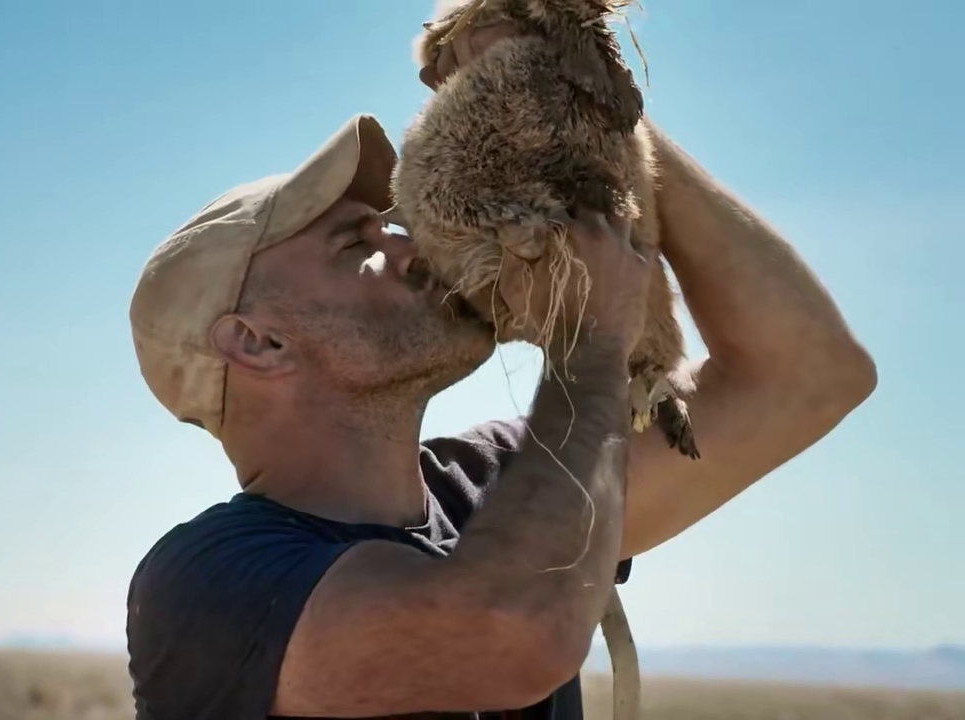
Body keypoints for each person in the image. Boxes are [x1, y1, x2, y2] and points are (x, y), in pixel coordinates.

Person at [123, 22, 876, 720]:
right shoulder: (206, 583)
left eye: (390, 221)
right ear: (258, 344)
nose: (414, 243)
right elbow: (510, 635)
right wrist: (592, 346)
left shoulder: (502, 480)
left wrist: (575, 86)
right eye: (358, 246)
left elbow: (809, 374)